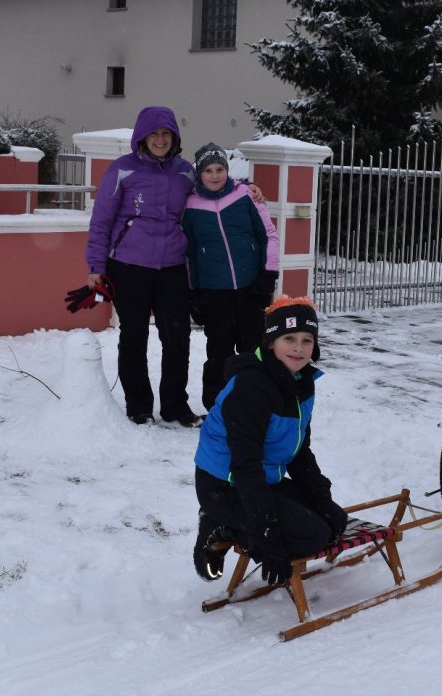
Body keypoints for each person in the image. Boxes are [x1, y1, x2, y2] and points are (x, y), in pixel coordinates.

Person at [191, 296, 348, 586]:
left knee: (331, 523)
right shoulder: (252, 387)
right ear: (271, 342)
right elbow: (244, 463)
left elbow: (299, 451)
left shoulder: (301, 383)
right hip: (225, 484)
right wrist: (265, 533)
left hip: (261, 480)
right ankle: (220, 524)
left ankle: (240, 521)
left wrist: (320, 497)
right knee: (310, 537)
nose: (298, 348)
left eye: (306, 340)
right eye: (289, 338)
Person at [84, 105, 202, 426]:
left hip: (173, 267)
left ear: (175, 137)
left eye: (166, 134)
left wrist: (248, 189)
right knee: (133, 336)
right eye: (154, 134)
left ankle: (176, 406)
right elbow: (102, 221)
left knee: (177, 338)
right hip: (129, 265)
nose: (160, 140)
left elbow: (213, 190)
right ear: (142, 136)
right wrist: (96, 264)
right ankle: (139, 406)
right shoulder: (122, 170)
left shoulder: (186, 172)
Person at [184, 143, 280, 411]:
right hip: (215, 291)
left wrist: (268, 273)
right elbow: (190, 253)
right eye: (208, 170)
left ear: (227, 171)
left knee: (254, 347)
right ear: (200, 174)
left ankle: (258, 400)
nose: (215, 176)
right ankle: (217, 405)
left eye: (220, 169)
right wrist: (195, 292)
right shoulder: (191, 206)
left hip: (251, 287)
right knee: (219, 351)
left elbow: (268, 235)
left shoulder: (246, 196)